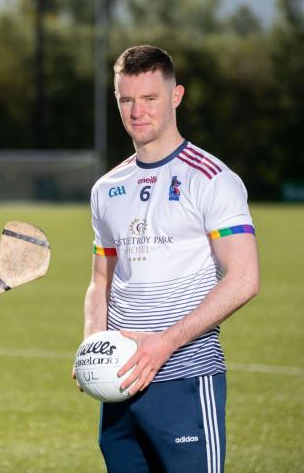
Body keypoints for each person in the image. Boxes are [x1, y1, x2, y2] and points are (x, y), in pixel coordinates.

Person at [82, 45, 259, 472]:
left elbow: (244, 279)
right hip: (120, 385)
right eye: (126, 100)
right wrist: (92, 342)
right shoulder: (107, 188)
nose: (136, 111)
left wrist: (166, 342)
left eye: (149, 98)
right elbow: (100, 281)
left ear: (175, 96)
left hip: (185, 380)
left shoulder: (213, 179)